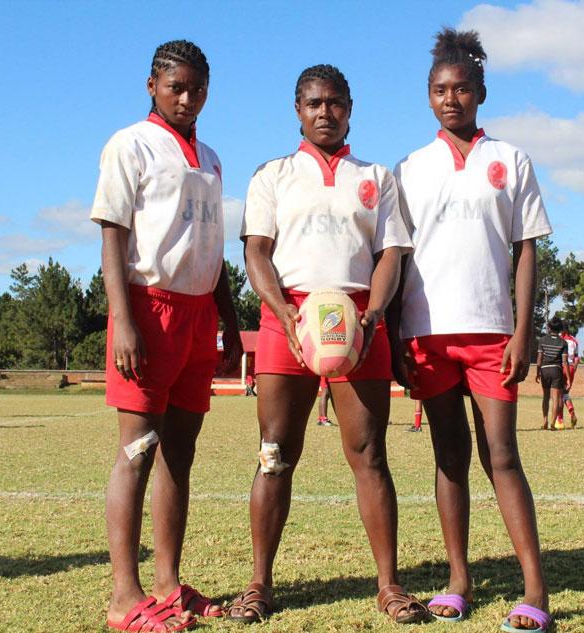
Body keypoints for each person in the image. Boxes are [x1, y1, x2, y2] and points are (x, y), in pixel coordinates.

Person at [228, 64, 427, 625]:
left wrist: (374, 317)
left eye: (334, 102)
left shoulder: (377, 177)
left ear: (350, 107)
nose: (324, 112)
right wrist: (286, 314)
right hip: (287, 319)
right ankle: (259, 584)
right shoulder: (272, 175)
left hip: (360, 318)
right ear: (297, 110)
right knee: (274, 454)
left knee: (370, 456)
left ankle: (389, 585)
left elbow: (392, 253)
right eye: (313, 103)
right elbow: (257, 253)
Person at [389, 29, 552, 632]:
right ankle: (460, 579)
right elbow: (397, 255)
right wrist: (395, 340)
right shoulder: (409, 169)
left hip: (490, 332)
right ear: (428, 97)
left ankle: (535, 587)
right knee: (449, 456)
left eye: (461, 88)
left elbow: (527, 250)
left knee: (501, 455)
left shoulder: (510, 161)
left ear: (480, 92)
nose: (450, 98)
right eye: (439, 90)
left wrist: (522, 329)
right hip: (426, 334)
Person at [89, 40, 242, 633]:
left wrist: (228, 321)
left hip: (199, 313)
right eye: (175, 86)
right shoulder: (129, 144)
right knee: (138, 450)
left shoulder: (211, 157)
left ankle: (168, 585)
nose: (186, 97)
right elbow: (111, 236)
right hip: (147, 311)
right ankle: (125, 598)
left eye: (197, 87)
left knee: (181, 450)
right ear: (152, 85)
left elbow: (215, 249)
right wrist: (122, 318)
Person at [536, 317, 570, 431]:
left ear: (549, 327)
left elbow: (539, 358)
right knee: (556, 398)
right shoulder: (563, 342)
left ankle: (544, 421)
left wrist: (537, 372)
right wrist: (568, 379)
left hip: (545, 370)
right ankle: (552, 423)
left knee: (546, 397)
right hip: (556, 370)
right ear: (560, 328)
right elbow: (565, 362)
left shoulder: (542, 340)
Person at [555, 323, 579, 429]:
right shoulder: (574, 340)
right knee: (566, 393)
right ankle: (571, 411)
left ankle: (560, 420)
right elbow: (577, 358)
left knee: (559, 394)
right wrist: (573, 370)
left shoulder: (559, 339)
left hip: (561, 366)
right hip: (571, 368)